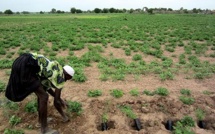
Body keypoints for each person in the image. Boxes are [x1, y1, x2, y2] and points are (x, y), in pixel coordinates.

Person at [5, 52, 75, 134]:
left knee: (41, 95)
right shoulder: (60, 77)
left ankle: (40, 122)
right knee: (44, 97)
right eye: (68, 78)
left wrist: (60, 99)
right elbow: (56, 102)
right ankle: (44, 129)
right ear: (67, 75)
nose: (66, 81)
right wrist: (64, 116)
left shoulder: (55, 68)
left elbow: (46, 88)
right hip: (27, 65)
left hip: (21, 61)